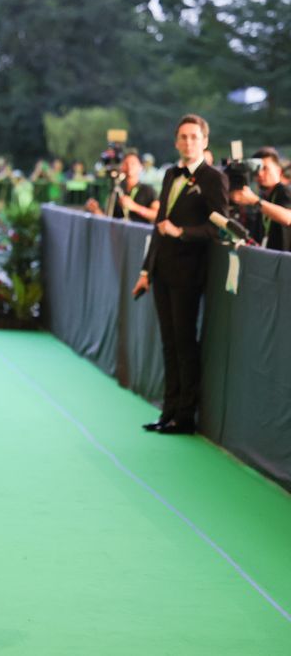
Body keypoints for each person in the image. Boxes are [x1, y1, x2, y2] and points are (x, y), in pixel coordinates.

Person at [132, 114, 228, 435]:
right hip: (161, 271)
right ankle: (168, 411)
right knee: (169, 343)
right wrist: (146, 269)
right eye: (183, 137)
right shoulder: (171, 174)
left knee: (186, 343)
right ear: (176, 141)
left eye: (194, 137)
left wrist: (181, 232)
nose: (188, 142)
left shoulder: (213, 178)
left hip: (190, 272)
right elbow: (159, 225)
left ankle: (185, 417)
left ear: (204, 141)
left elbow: (219, 229)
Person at [230, 147, 291, 251]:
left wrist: (254, 201)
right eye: (257, 169)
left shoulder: (283, 191)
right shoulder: (264, 196)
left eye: (265, 168)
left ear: (278, 171)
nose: (260, 174)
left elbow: (288, 218)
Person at [84, 151, 158, 223]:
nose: (129, 166)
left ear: (141, 166)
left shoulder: (148, 190)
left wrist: (134, 207)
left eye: (133, 163)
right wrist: (96, 210)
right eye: (126, 163)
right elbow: (108, 219)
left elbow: (157, 215)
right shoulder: (116, 189)